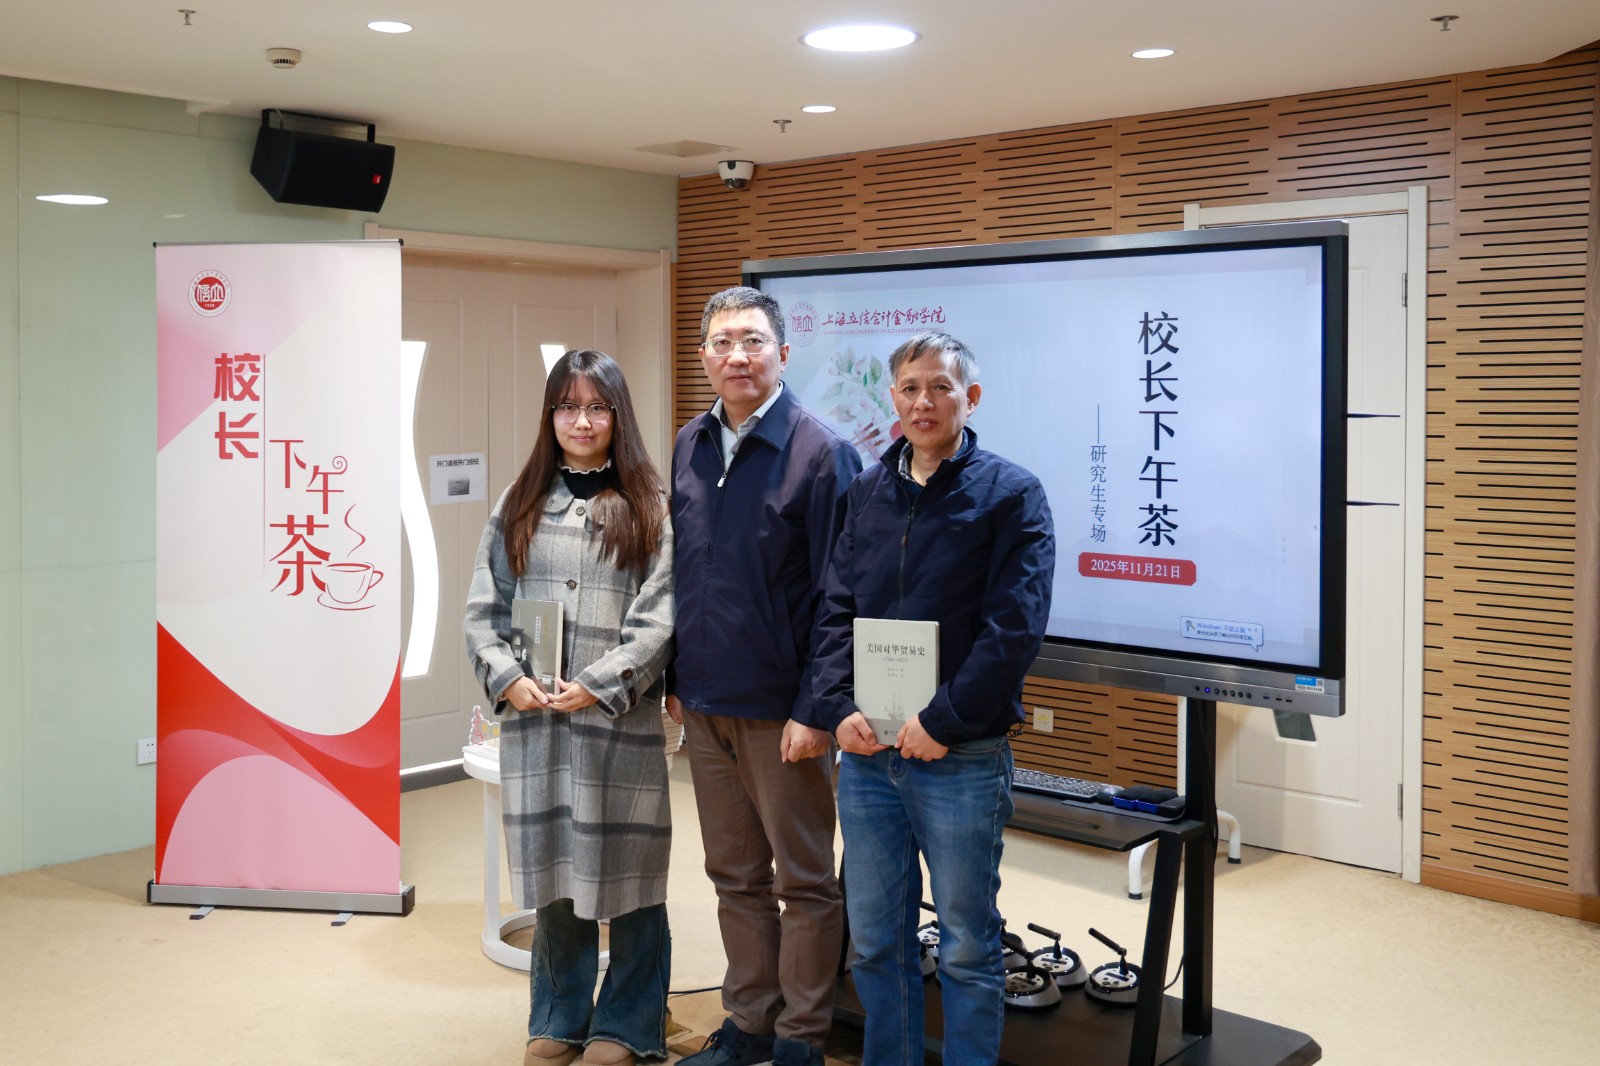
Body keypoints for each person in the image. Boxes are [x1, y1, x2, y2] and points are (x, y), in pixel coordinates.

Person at [811, 332, 1056, 1066]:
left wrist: (942, 720)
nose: (924, 402)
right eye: (911, 388)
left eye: (940, 387)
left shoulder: (1011, 494)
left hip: (960, 754)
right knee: (875, 941)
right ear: (893, 397)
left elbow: (1013, 629)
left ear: (969, 398)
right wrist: (837, 707)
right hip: (868, 755)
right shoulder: (867, 491)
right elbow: (835, 608)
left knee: (967, 945)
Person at [668, 287, 863, 1066]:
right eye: (722, 343)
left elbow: (842, 596)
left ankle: (800, 1039)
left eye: (752, 341)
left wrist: (817, 708)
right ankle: (749, 1025)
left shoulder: (822, 453)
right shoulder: (689, 443)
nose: (737, 356)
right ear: (704, 357)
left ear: (783, 352)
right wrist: (675, 677)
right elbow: (682, 571)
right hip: (704, 700)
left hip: (785, 712)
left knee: (804, 881)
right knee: (734, 876)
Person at [465, 349, 675, 1066]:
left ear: (618, 415)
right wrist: (507, 678)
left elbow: (660, 618)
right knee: (554, 874)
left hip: (619, 724)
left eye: (597, 408)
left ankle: (630, 1022)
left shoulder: (649, 504)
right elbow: (483, 608)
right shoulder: (519, 501)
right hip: (540, 725)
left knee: (633, 875)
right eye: (568, 407)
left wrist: (602, 682)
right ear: (550, 414)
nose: (581, 421)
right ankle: (558, 1014)